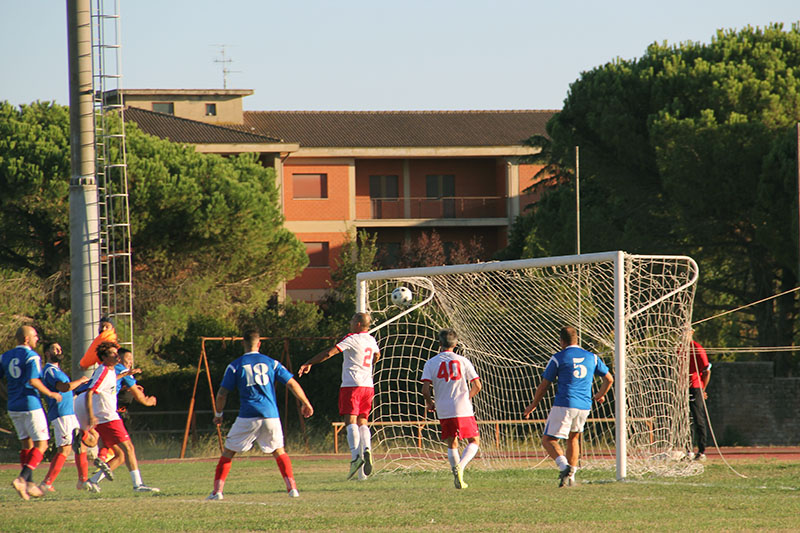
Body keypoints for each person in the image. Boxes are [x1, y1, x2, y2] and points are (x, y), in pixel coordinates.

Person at [207, 329, 314, 500]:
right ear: (259, 344)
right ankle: (292, 489)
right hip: (271, 415)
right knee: (279, 451)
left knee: (228, 452)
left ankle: (217, 492)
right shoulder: (272, 363)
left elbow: (221, 393)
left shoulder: (235, 365)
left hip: (248, 415)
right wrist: (305, 402)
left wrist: (219, 413)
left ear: (243, 343)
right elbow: (292, 383)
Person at [523, 326, 613, 487]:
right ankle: (571, 478)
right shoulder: (592, 357)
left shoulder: (559, 357)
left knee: (548, 440)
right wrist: (600, 394)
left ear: (561, 341)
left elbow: (544, 385)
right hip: (585, 405)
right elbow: (609, 379)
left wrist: (533, 404)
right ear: (577, 339)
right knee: (574, 438)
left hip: (565, 403)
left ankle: (565, 467)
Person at [298, 312, 380, 480]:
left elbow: (330, 353)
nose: (349, 322)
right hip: (368, 386)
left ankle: (355, 457)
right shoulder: (371, 340)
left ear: (357, 324)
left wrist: (309, 363)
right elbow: (377, 356)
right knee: (363, 421)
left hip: (352, 386)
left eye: (351, 319)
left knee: (350, 422)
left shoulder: (352, 338)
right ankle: (367, 449)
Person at [74, 341, 160, 493]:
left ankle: (93, 481)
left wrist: (127, 373)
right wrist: (92, 415)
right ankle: (138, 485)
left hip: (105, 415)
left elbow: (111, 380)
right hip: (107, 416)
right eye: (112, 354)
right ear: (104, 357)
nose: (116, 355)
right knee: (129, 448)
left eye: (116, 352)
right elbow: (90, 392)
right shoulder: (104, 371)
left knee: (120, 455)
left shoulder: (110, 370)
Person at [0, 326, 62, 500]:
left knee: (26, 445)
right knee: (42, 444)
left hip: (13, 405)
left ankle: (29, 483)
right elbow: (33, 380)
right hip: (30, 404)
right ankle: (21, 479)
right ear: (26, 339)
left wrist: (7, 395)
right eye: (35, 336)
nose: (37, 339)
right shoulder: (32, 356)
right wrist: (51, 394)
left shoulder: (5, 356)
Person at [421, 328, 482, 489]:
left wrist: (429, 403)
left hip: (443, 408)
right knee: (474, 440)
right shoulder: (463, 361)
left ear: (440, 343)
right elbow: (477, 385)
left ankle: (457, 475)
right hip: (462, 407)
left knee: (451, 443)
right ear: (456, 344)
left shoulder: (431, 363)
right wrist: (467, 398)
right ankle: (460, 467)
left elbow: (425, 390)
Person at [93, 347, 157, 471]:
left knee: (109, 441)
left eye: (131, 359)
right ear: (119, 358)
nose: (130, 362)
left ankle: (100, 461)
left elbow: (109, 384)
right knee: (126, 449)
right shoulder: (121, 369)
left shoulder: (106, 369)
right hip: (111, 409)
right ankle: (137, 483)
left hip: (96, 406)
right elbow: (138, 396)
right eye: (127, 359)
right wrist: (148, 401)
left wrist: (123, 388)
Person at [39, 342, 91, 492]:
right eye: (55, 348)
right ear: (47, 353)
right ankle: (46, 483)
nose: (59, 350)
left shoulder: (57, 370)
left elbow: (69, 390)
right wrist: (81, 380)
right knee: (65, 450)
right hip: (61, 414)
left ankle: (83, 480)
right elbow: (64, 387)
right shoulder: (49, 371)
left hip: (69, 413)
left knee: (80, 446)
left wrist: (84, 385)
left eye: (60, 348)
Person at [688, 331, 711, 461]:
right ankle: (688, 450)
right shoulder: (679, 349)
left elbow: (707, 371)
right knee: (685, 420)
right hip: (682, 388)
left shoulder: (697, 348)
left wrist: (703, 389)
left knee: (698, 418)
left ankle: (701, 451)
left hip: (695, 387)